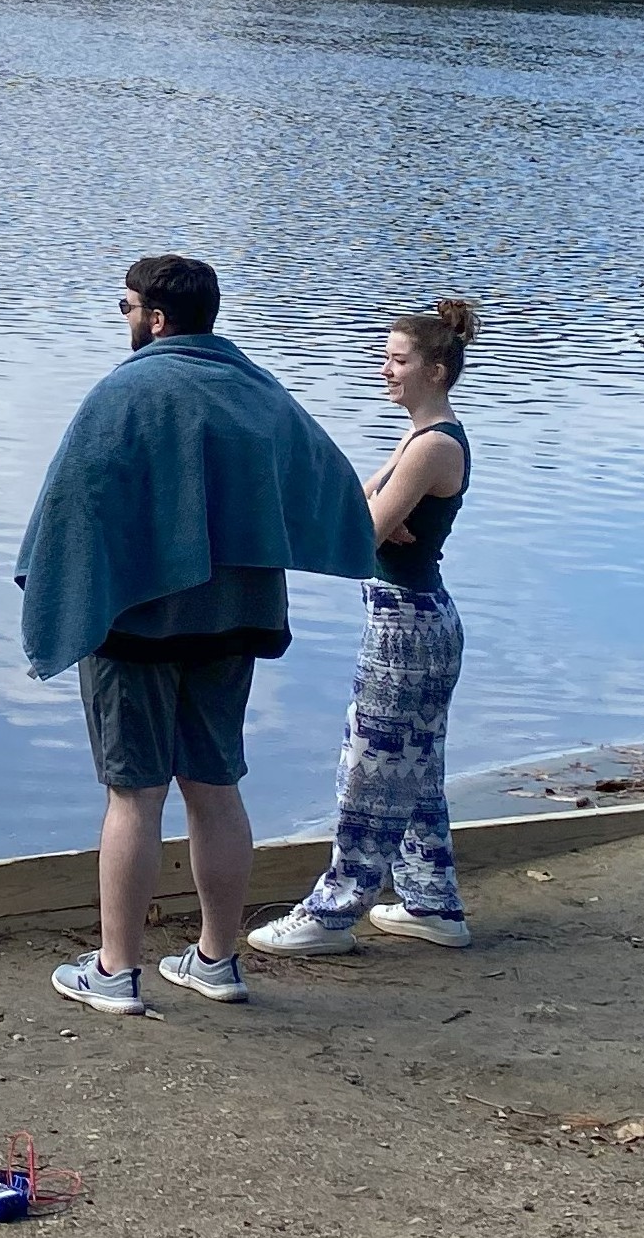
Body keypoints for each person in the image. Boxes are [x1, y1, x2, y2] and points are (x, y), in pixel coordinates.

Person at [16, 255, 376, 1015]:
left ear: (154, 318)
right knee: (215, 789)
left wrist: (56, 589)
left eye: (125, 308)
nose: (123, 320)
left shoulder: (125, 390)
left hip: (138, 626)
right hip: (232, 622)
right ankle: (216, 961)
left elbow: (73, 504)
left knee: (133, 796)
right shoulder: (257, 389)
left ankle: (115, 972)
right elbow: (329, 479)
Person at [249, 301, 480, 956]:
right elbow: (355, 510)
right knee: (414, 769)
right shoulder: (418, 438)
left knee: (372, 767)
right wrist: (373, 518)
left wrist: (375, 520)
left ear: (435, 370)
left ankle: (331, 911)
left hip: (409, 629)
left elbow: (360, 532)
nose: (384, 370)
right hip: (408, 620)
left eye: (397, 360)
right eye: (385, 357)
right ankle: (432, 904)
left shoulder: (434, 444)